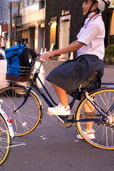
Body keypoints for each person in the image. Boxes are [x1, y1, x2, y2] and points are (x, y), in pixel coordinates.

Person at [41, 0, 110, 140]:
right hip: (90, 62)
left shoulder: (96, 24)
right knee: (87, 97)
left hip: (89, 61)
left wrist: (53, 53)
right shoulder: (89, 21)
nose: (83, 5)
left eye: (86, 2)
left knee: (56, 75)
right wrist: (57, 51)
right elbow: (76, 42)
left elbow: (77, 45)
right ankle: (89, 132)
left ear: (95, 5)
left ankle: (64, 107)